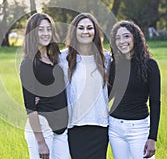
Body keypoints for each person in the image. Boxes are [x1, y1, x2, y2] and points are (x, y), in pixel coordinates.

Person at [59, 13, 110, 159]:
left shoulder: (105, 58)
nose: (85, 31)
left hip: (100, 125)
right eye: (81, 28)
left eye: (89, 28)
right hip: (75, 125)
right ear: (74, 31)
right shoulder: (63, 58)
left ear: (95, 32)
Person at [108, 20, 161, 159]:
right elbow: (105, 95)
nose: (122, 41)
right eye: (117, 38)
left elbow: (155, 103)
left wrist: (152, 138)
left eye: (126, 36)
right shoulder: (114, 65)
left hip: (139, 129)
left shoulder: (150, 65)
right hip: (114, 128)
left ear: (135, 38)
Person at [20, 13, 69, 159]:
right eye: (41, 30)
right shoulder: (28, 63)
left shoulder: (55, 58)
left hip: (61, 127)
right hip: (42, 129)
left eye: (49, 29)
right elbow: (30, 106)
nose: (46, 33)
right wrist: (40, 142)